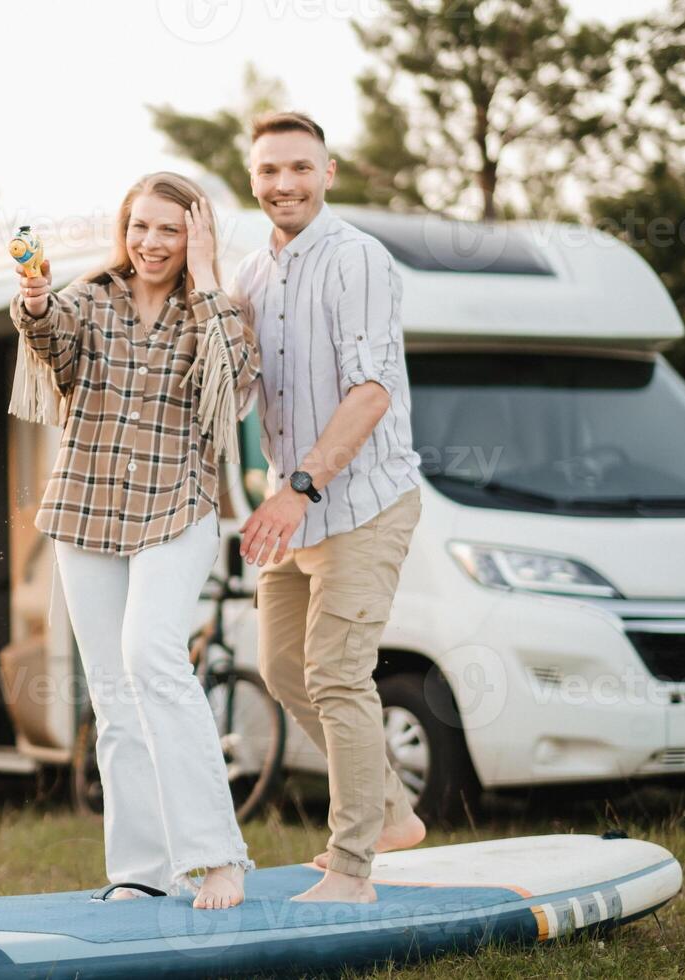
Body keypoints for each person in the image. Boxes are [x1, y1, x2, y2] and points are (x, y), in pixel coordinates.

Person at [10, 172, 261, 910]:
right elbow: (52, 343)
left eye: (170, 230)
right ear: (125, 231)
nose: (151, 243)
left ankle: (219, 857)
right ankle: (143, 871)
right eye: (141, 227)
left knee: (152, 658)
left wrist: (210, 275)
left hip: (175, 510)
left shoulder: (212, 310)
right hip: (85, 511)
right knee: (114, 695)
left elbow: (237, 375)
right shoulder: (90, 299)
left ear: (196, 237)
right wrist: (32, 300)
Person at [230, 111, 426, 904]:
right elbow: (237, 390)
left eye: (300, 168)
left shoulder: (358, 261)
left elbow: (372, 391)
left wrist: (296, 488)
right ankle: (392, 815)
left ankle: (353, 868)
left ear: (329, 172)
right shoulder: (249, 275)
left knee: (338, 673)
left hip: (362, 501)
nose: (285, 184)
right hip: (296, 511)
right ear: (253, 179)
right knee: (282, 667)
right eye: (270, 170)